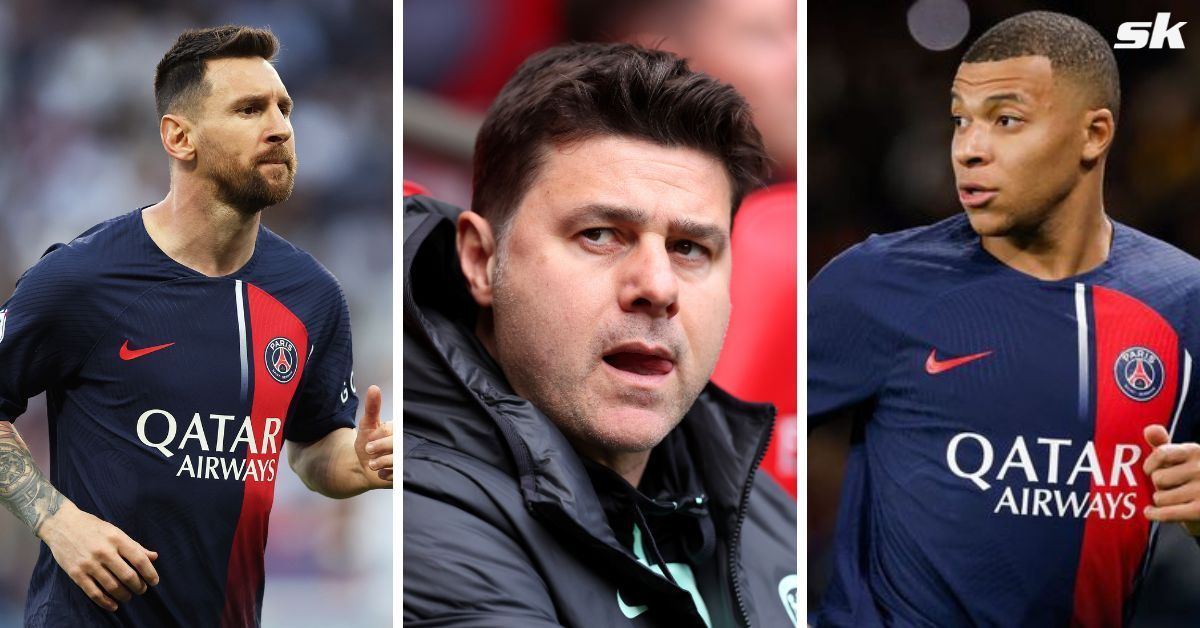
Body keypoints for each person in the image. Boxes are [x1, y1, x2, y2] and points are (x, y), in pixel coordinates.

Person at [809, 11, 1200, 626]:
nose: (968, 149)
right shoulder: (873, 283)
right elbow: (725, 435)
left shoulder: (1183, 300)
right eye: (960, 120)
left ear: (1094, 134)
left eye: (1005, 120)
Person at [0, 25, 392, 627]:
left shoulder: (310, 296)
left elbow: (313, 448)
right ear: (179, 137)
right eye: (248, 109)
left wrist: (358, 463)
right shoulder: (82, 278)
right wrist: (57, 521)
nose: (280, 127)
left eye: (284, 108)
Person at [403, 42, 798, 627]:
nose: (658, 286)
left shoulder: (769, 514)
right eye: (601, 234)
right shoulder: (421, 515)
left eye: (690, 248)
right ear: (482, 260)